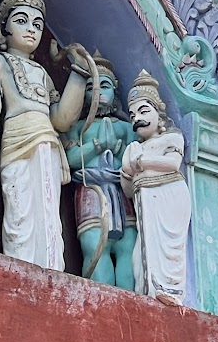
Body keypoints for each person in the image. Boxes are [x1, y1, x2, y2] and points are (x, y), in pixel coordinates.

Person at [0, 0, 87, 269]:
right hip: (16, 143)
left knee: (48, 214)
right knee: (19, 216)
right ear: (3, 28)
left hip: (47, 144)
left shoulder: (42, 74)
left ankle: (51, 271)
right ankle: (21, 269)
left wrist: (79, 76)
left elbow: (59, 119)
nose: (31, 30)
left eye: (37, 24)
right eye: (21, 20)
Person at [62, 57, 137, 289]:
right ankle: (98, 299)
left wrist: (117, 147)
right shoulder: (77, 127)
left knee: (127, 249)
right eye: (90, 88)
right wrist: (96, 146)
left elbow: (136, 160)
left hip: (120, 189)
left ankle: (131, 304)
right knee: (95, 247)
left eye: (103, 86)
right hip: (91, 190)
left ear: (115, 90)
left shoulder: (125, 127)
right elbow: (70, 160)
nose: (97, 92)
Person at [121, 70, 193, 305]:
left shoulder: (172, 138)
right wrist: (126, 172)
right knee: (139, 256)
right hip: (145, 201)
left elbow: (173, 163)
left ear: (159, 114)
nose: (136, 119)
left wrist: (141, 162)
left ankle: (169, 292)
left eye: (143, 111)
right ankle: (148, 291)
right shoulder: (134, 146)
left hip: (169, 195)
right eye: (132, 114)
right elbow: (129, 189)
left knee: (167, 249)